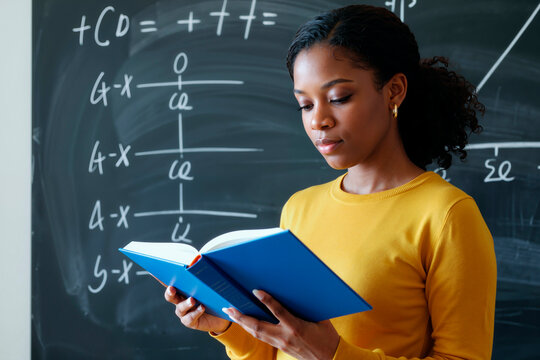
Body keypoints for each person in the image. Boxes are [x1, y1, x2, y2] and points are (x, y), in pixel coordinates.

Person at [164, 4, 497, 360]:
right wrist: (226, 327)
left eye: (339, 98)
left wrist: (331, 353)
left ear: (394, 91)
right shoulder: (300, 208)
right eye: (305, 105)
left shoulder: (446, 215)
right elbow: (278, 350)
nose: (318, 120)